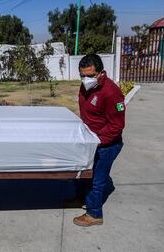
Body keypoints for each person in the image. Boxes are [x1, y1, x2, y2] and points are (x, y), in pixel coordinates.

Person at [73, 54, 125, 227]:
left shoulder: (111, 93)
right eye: (82, 75)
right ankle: (85, 200)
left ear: (101, 73)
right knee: (84, 173)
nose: (85, 79)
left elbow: (117, 126)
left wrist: (98, 141)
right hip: (91, 141)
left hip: (107, 144)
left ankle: (94, 214)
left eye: (89, 75)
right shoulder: (86, 87)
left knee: (97, 179)